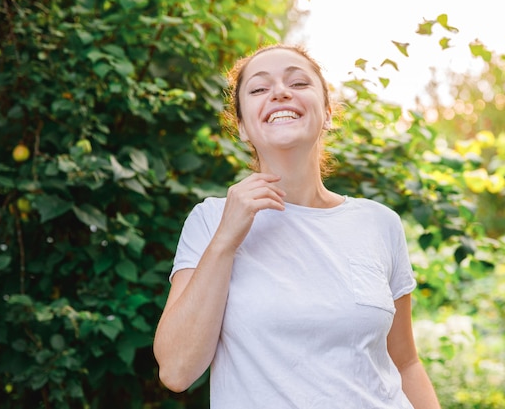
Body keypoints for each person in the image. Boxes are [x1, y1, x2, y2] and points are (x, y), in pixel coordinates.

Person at [153, 43, 441, 409]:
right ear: (242, 126)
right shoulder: (211, 221)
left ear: (327, 114)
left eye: (299, 83)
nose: (280, 92)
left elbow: (406, 362)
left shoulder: (379, 223)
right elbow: (177, 371)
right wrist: (225, 240)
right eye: (258, 89)